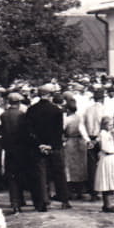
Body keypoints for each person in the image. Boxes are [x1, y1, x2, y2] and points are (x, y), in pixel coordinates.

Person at [26, 83, 71, 212]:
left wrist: (39, 144)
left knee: (40, 174)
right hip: (54, 146)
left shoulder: (32, 110)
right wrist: (50, 145)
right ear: (49, 95)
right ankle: (64, 200)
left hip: (37, 147)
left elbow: (29, 130)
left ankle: (42, 202)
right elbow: (58, 131)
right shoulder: (56, 110)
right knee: (59, 173)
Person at [0, 92, 29, 213]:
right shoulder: (22, 115)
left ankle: (14, 201)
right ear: (19, 103)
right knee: (20, 174)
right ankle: (20, 199)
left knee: (11, 175)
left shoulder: (3, 115)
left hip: (8, 148)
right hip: (21, 149)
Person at [95, 116, 114, 213]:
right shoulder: (103, 134)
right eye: (110, 125)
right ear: (104, 125)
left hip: (111, 159)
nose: (111, 127)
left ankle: (108, 204)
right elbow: (106, 148)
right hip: (108, 158)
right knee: (107, 181)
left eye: (112, 125)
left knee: (110, 181)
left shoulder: (108, 133)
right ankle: (108, 205)